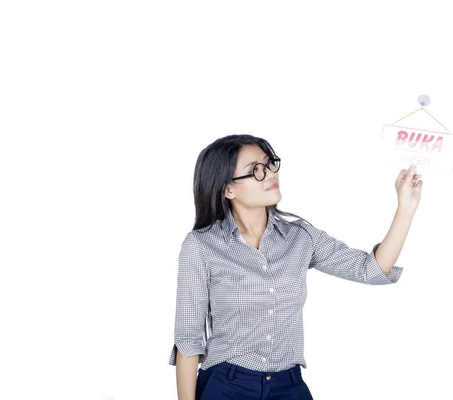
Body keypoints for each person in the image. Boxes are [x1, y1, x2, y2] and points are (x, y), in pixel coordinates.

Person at [168, 134, 422, 400]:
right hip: (227, 385)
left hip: (288, 386)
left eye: (270, 164)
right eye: (255, 170)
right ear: (228, 189)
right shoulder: (201, 245)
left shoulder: (300, 237)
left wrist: (406, 207)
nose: (269, 174)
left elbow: (370, 269)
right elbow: (188, 339)